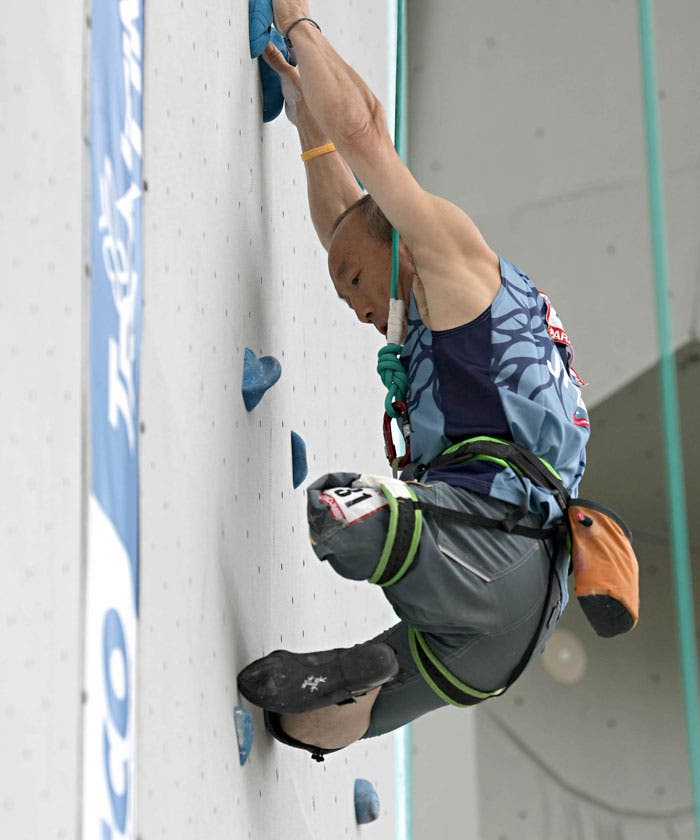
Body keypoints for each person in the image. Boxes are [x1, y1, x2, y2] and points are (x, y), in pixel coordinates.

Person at [237, 1, 590, 763]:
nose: (356, 306)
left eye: (353, 282)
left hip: (495, 549)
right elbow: (347, 222)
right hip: (505, 637)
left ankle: (377, 557)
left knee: (344, 508)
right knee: (301, 725)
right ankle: (360, 679)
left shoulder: (453, 267)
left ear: (399, 242)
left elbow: (366, 136)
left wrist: (299, 23)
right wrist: (306, 121)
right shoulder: (432, 306)